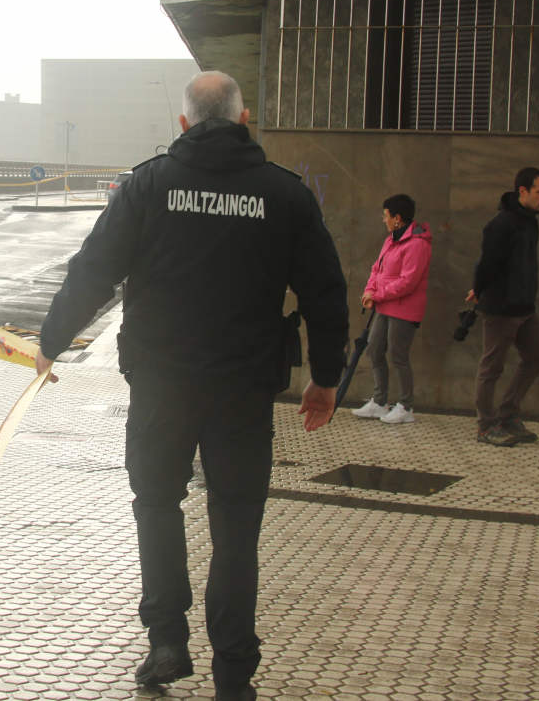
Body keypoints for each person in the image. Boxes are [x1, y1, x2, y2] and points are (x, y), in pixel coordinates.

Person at [34, 71, 348, 701]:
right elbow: (325, 290)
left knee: (156, 503)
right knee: (236, 524)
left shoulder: (147, 185)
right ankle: (234, 673)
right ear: (244, 117)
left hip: (161, 385)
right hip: (243, 391)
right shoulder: (284, 195)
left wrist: (49, 342)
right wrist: (326, 378)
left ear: (183, 123)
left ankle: (167, 642)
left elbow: (94, 270)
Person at [466, 166, 539, 446]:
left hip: (525, 307)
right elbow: (487, 263)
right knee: (492, 367)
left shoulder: (530, 222)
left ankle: (508, 414)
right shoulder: (501, 224)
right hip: (501, 308)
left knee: (536, 358)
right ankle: (486, 425)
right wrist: (478, 290)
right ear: (522, 191)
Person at [351, 194, 432, 425]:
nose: (383, 220)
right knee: (374, 349)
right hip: (384, 307)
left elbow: (408, 282)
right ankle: (379, 402)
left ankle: (406, 406)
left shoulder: (417, 244)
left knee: (398, 355)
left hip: (404, 310)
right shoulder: (390, 241)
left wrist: (377, 294)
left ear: (397, 218)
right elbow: (377, 269)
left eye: (386, 216)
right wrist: (369, 291)